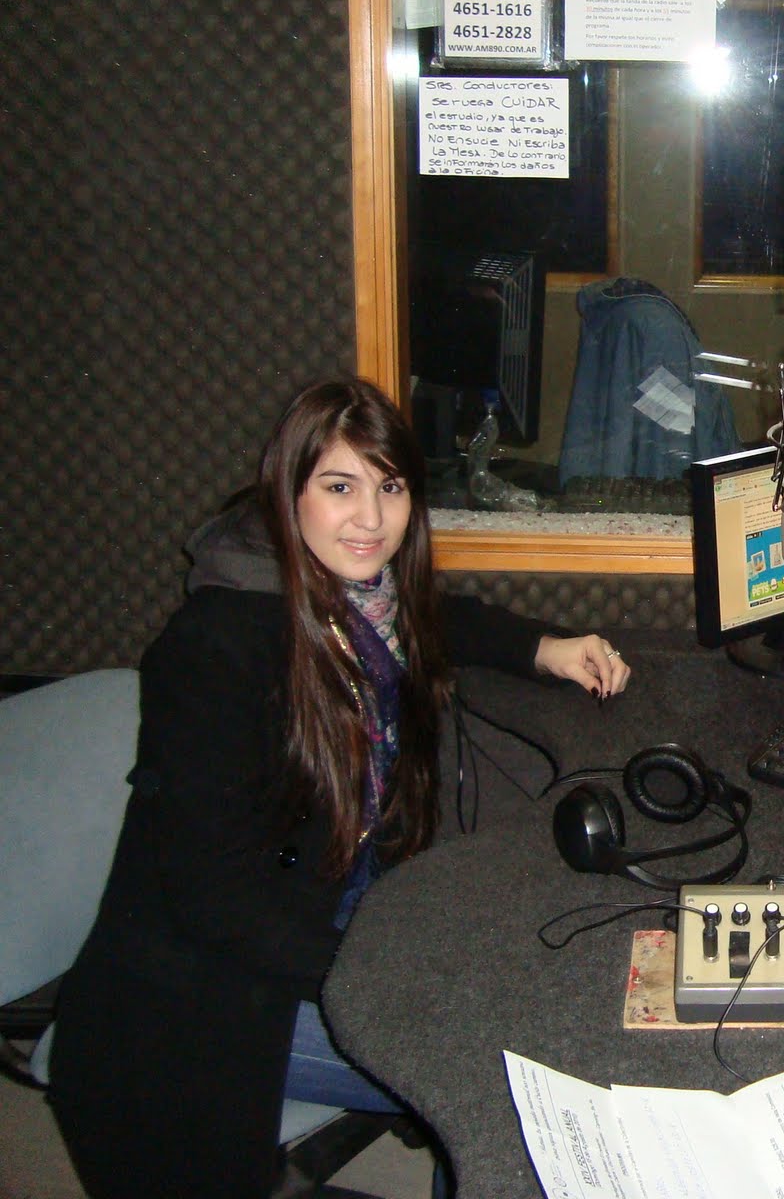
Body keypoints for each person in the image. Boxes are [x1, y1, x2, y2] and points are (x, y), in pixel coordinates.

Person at [47, 379, 631, 1197]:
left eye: (390, 488)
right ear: (288, 493)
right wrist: (385, 975)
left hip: (327, 910)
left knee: (516, 986)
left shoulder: (365, 601)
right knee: (500, 1073)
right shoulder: (215, 650)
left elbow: (437, 615)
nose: (370, 519)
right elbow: (213, 899)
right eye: (339, 487)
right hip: (212, 996)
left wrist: (543, 646)